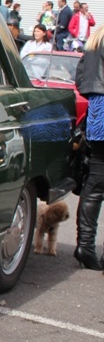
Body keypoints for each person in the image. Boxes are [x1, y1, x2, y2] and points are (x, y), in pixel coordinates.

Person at [73, 23, 104, 270]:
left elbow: (80, 80)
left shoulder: (94, 41)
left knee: (95, 182)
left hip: (97, 115)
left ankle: (85, 245)